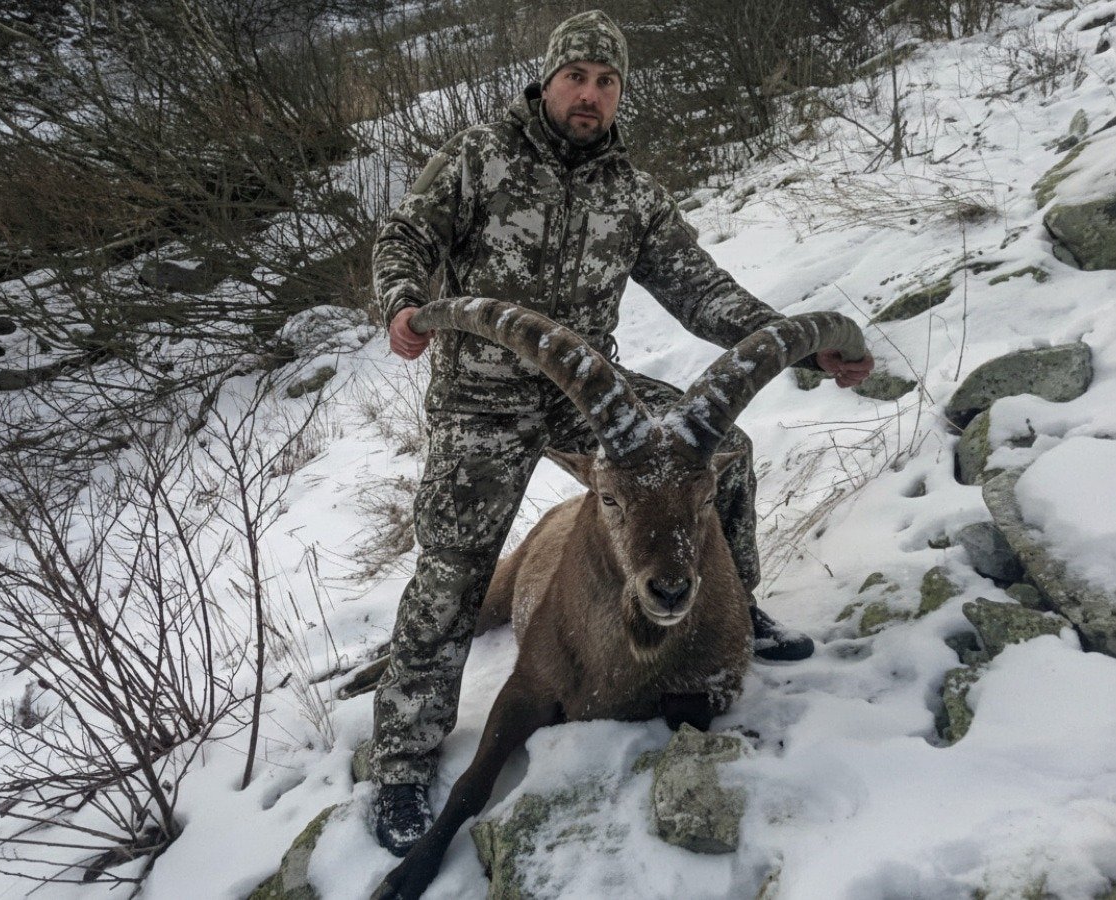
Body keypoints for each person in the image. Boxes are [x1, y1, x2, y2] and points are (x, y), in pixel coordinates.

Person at [367, 9, 873, 856]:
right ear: (548, 78)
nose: (589, 95)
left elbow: (699, 289)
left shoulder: (632, 193)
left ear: (618, 94)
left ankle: (732, 603)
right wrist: (403, 304)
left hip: (588, 398)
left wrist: (803, 342)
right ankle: (402, 761)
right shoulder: (478, 158)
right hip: (480, 399)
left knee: (727, 456)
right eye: (577, 78)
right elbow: (406, 234)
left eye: (606, 83)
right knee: (454, 569)